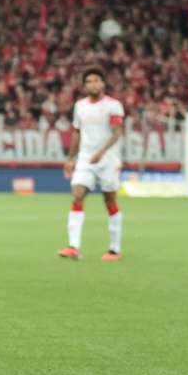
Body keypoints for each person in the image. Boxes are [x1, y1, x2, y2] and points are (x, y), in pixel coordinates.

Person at [60, 68, 125, 261]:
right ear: (85, 85)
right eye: (89, 81)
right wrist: (71, 158)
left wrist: (101, 152)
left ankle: (114, 249)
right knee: (77, 195)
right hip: (86, 159)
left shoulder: (113, 106)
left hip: (108, 160)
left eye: (96, 80)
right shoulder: (80, 106)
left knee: (110, 201)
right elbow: (76, 133)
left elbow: (116, 133)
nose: (93, 84)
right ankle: (73, 247)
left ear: (103, 83)